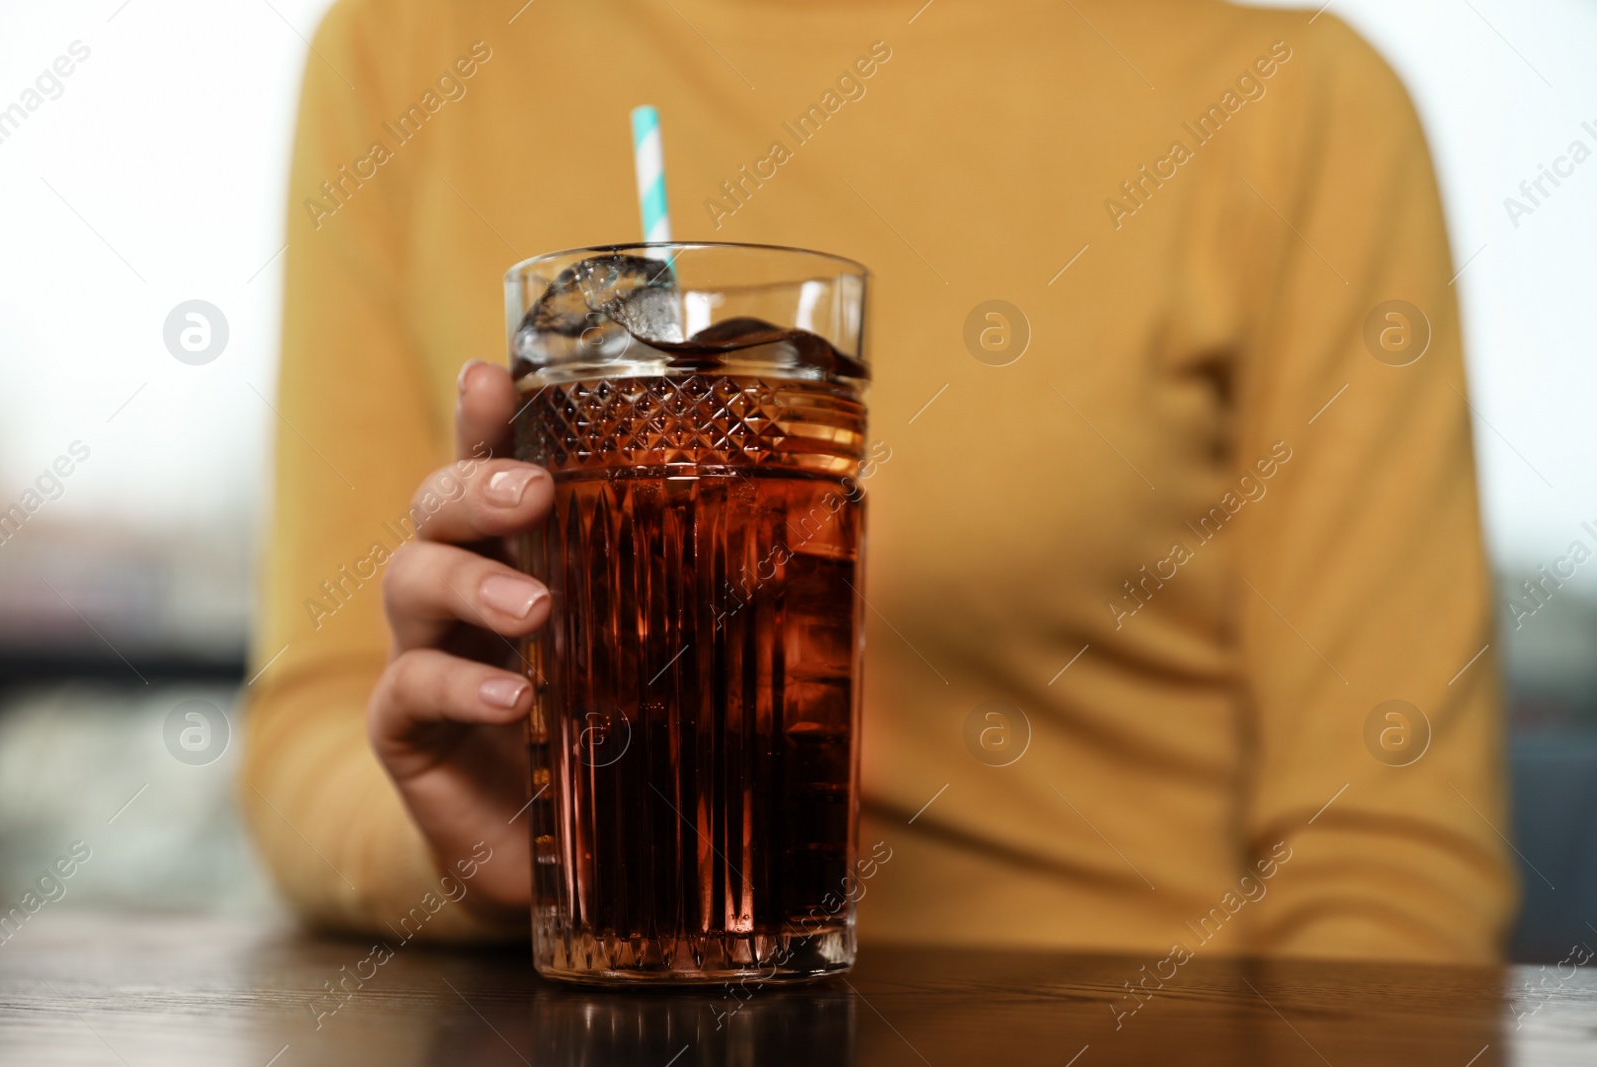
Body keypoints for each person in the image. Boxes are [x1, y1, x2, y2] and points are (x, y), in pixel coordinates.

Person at [243, 0, 1515, 961]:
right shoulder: (413, 47)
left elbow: (1386, 865)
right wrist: (472, 839)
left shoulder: (1290, 102)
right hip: (597, 1009)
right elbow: (312, 727)